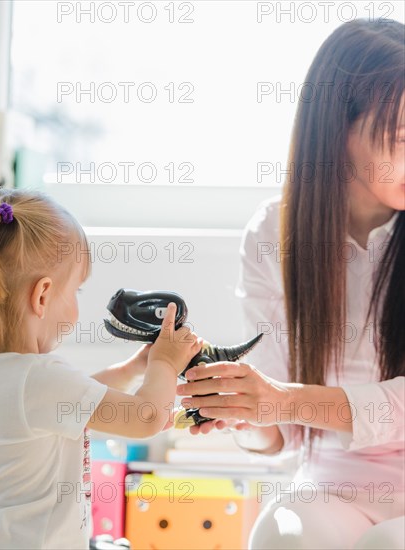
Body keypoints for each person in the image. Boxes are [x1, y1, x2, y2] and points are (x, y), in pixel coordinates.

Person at [176, 18, 404, 549]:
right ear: (339, 132)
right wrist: (242, 409)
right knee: (282, 537)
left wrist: (285, 400)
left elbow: (290, 399)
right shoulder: (273, 233)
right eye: (398, 137)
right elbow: (281, 431)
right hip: (332, 486)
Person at [0, 189, 202, 549]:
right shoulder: (36, 377)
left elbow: (75, 399)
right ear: (42, 296)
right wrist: (166, 363)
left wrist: (135, 368)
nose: (75, 305)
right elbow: (146, 417)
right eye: (76, 292)